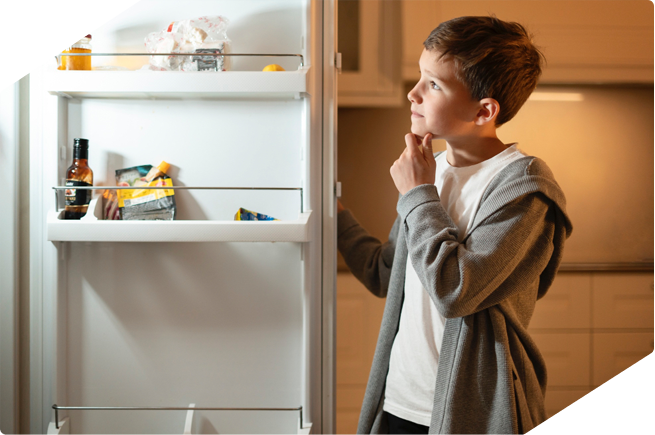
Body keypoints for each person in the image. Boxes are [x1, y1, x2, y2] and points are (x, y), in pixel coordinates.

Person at [336, 16, 573, 435]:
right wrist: (335, 217)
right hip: (399, 405)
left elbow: (456, 290)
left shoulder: (524, 190)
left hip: (471, 415)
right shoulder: (432, 171)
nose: (413, 93)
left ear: (485, 110)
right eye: (420, 77)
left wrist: (417, 195)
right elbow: (386, 274)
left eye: (433, 84)